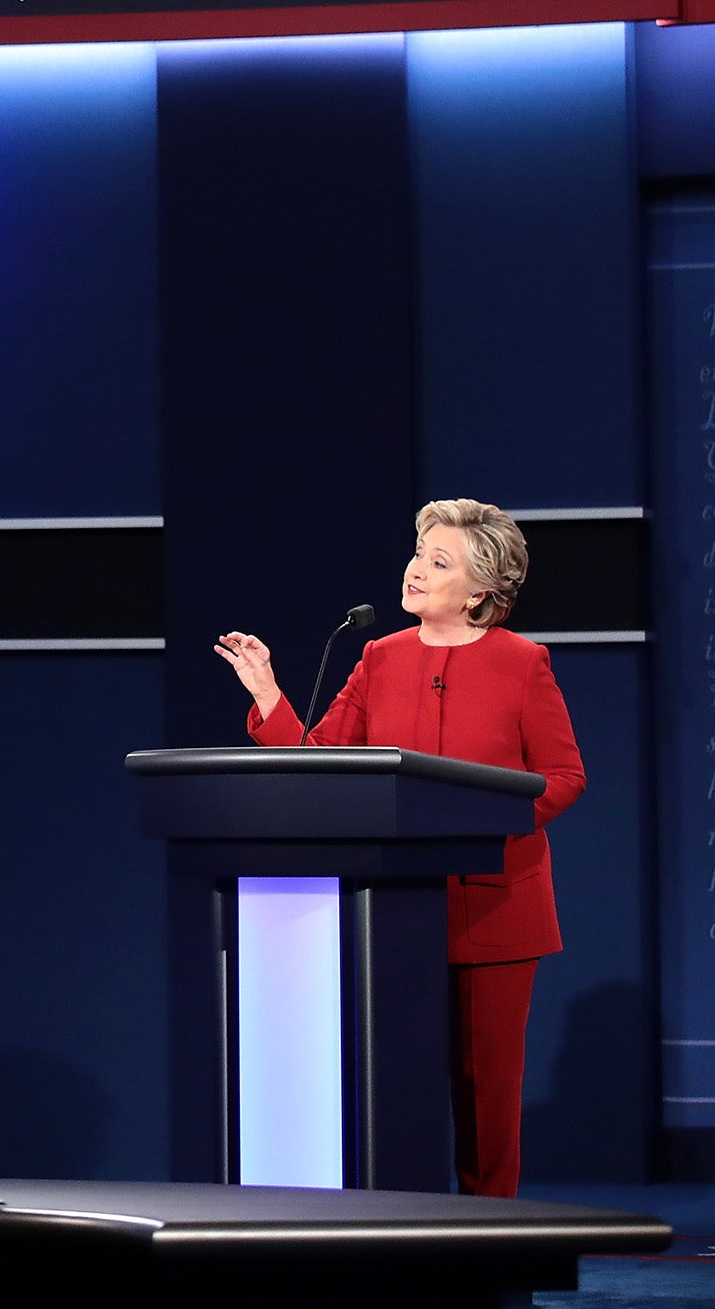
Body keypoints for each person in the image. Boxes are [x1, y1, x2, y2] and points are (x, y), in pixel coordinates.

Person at [215, 498, 584, 1198]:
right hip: (392, 910)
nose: (415, 570)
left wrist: (484, 824)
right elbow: (319, 760)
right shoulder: (378, 656)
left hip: (496, 908)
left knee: (487, 1089)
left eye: (438, 561)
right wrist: (267, 693)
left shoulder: (522, 662)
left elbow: (565, 775)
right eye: (418, 554)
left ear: (481, 588)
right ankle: (399, 1234)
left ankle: (489, 1239)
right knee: (395, 1078)